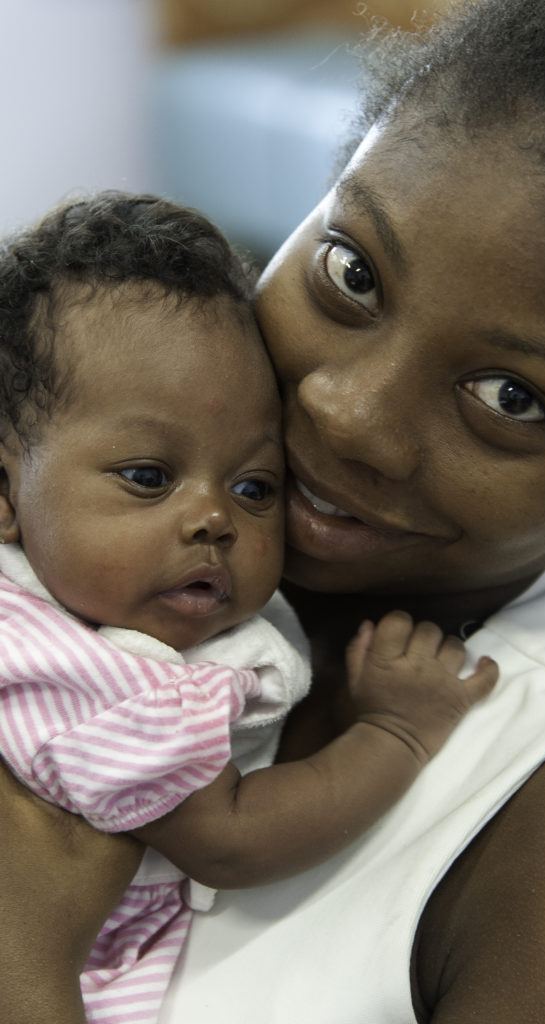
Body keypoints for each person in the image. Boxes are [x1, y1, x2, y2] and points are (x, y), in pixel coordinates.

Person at [2, 0, 545, 1021]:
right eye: (352, 273)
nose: (346, 412)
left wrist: (19, 950)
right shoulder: (74, 512)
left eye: (509, 397)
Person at [0, 192, 496, 1024]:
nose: (212, 519)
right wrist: (397, 734)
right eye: (147, 478)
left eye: (254, 487)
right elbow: (228, 837)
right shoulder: (96, 678)